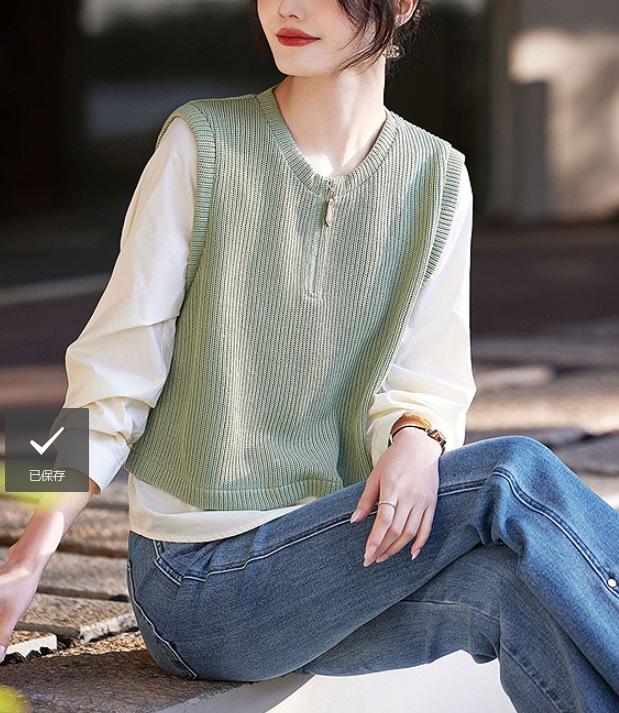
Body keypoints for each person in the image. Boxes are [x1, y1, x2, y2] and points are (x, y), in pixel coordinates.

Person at [2, 2, 618, 711]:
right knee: (511, 473)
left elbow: (428, 375)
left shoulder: (438, 174)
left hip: (341, 556)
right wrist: (26, 550)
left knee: (514, 588)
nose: (287, 7)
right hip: (197, 582)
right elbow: (110, 369)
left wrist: (418, 436)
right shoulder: (201, 142)